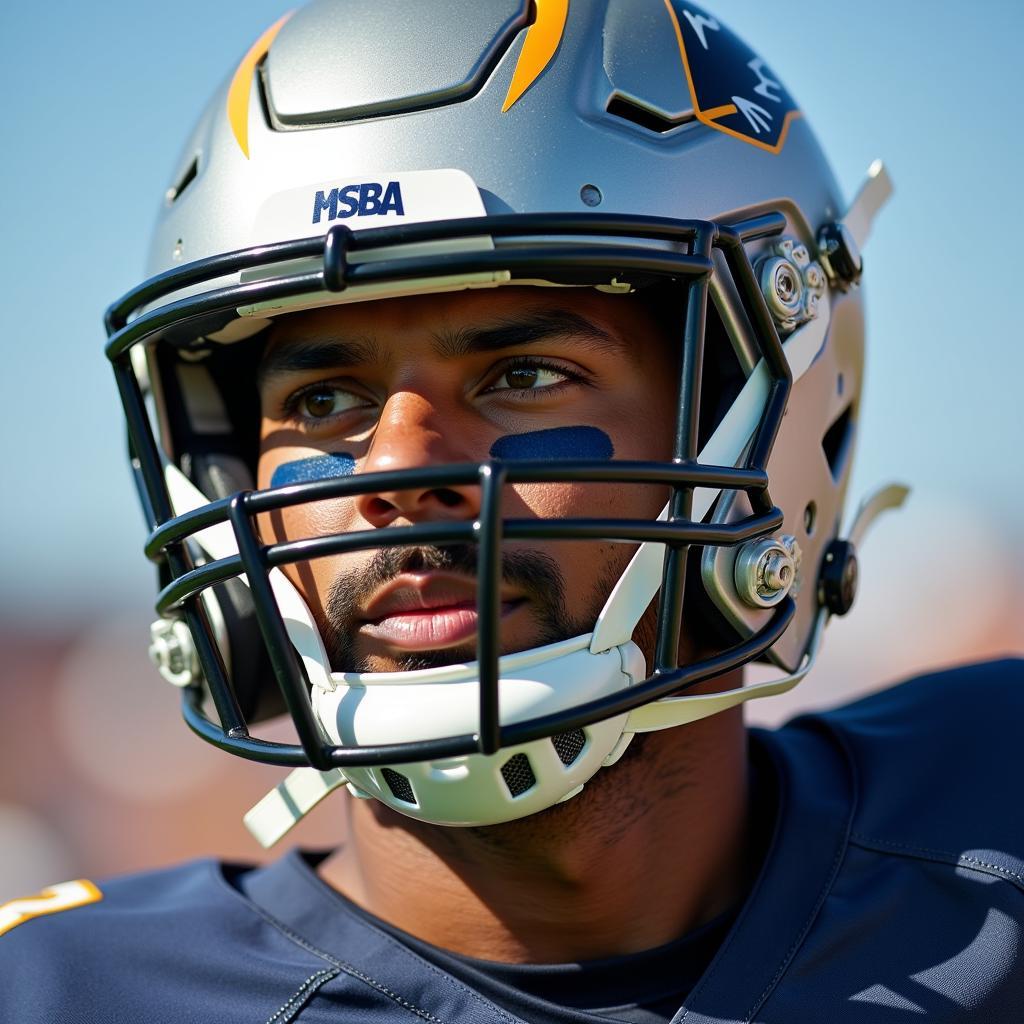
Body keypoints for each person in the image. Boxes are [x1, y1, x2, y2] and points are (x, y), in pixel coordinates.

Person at [3, 2, 1022, 1020]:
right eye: (322, 401)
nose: (400, 467)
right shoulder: (63, 992)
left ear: (763, 412)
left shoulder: (989, 825)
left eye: (524, 372)